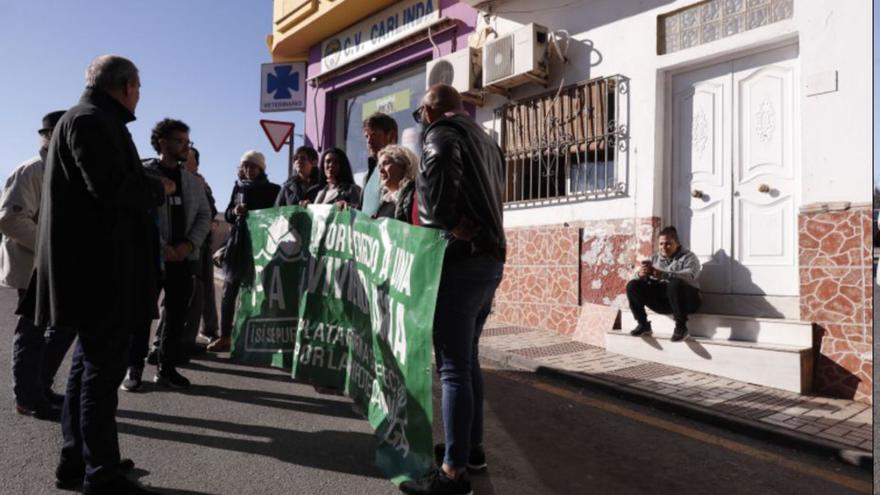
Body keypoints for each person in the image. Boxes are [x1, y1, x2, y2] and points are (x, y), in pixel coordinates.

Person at [24, 54, 171, 494]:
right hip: (101, 275)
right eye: (138, 87)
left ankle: (78, 462)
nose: (139, 96)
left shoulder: (89, 119)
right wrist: (156, 186)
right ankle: (101, 475)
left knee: (87, 371)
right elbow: (109, 188)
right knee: (100, 378)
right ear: (124, 86)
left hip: (96, 273)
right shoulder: (90, 121)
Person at [400, 84, 506, 495]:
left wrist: (442, 220)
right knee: (468, 360)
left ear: (429, 112)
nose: (421, 124)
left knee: (452, 366)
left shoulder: (441, 135)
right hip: (490, 258)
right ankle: (470, 451)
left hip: (460, 259)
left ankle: (452, 473)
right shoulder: (487, 141)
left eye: (419, 117)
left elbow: (439, 172)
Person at [121, 119, 211, 392]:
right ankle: (134, 367)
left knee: (176, 316)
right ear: (162, 142)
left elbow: (205, 216)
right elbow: (133, 214)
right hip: (147, 258)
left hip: (182, 259)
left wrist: (187, 246)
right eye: (180, 141)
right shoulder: (142, 174)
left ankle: (166, 367)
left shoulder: (192, 182)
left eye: (187, 142)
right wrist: (161, 248)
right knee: (140, 315)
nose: (186, 147)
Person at [0, 110, 76, 419]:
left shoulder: (64, 170)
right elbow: (10, 219)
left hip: (60, 267)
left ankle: (40, 387)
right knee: (31, 332)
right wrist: (52, 249)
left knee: (64, 328)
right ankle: (28, 397)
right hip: (35, 266)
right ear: (52, 136)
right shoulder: (33, 170)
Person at [207, 151, 280, 353]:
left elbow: (276, 216)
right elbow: (229, 213)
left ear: (261, 168)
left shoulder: (273, 189)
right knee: (229, 292)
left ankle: (257, 339)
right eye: (245, 166)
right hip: (237, 246)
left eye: (253, 166)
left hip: (262, 248)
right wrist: (234, 212)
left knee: (261, 294)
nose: (248, 170)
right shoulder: (238, 187)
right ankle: (225, 336)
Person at [626, 226, 702, 341]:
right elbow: (634, 279)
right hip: (664, 303)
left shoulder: (689, 257)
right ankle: (643, 324)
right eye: (661, 244)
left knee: (674, 283)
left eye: (668, 244)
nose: (663, 247)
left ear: (677, 243)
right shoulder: (654, 258)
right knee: (632, 285)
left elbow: (691, 276)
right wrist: (640, 275)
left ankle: (681, 328)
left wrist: (664, 274)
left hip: (688, 301)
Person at [181, 146, 220, 350]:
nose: (185, 159)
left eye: (189, 157)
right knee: (190, 293)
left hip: (203, 244)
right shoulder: (179, 180)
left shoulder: (202, 183)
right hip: (187, 246)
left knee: (204, 291)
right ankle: (181, 340)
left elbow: (210, 210)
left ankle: (207, 331)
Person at [359, 113, 398, 215]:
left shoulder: (402, 168)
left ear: (391, 136)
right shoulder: (368, 175)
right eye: (366, 136)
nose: (369, 141)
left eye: (374, 135)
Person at [372, 144, 416, 222]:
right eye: (379, 166)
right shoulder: (384, 201)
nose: (381, 170)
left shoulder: (414, 196)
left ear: (403, 165)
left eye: (386, 163)